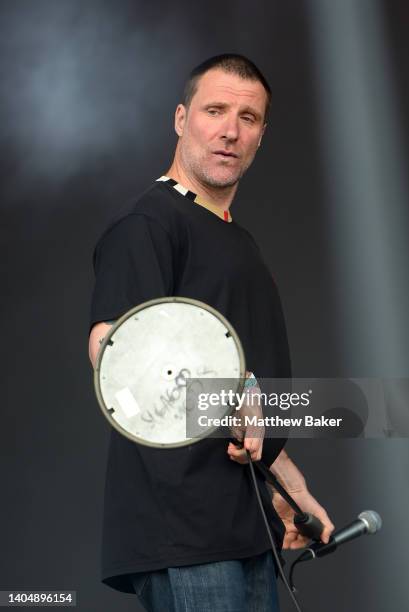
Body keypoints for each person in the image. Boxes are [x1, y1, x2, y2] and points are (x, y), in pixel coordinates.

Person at [88, 54, 334, 611]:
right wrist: (238, 386)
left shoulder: (236, 241)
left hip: (244, 527)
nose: (230, 130)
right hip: (186, 532)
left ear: (261, 136)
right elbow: (111, 350)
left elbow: (246, 411)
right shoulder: (147, 225)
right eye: (215, 110)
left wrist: (291, 494)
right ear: (181, 119)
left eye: (248, 118)